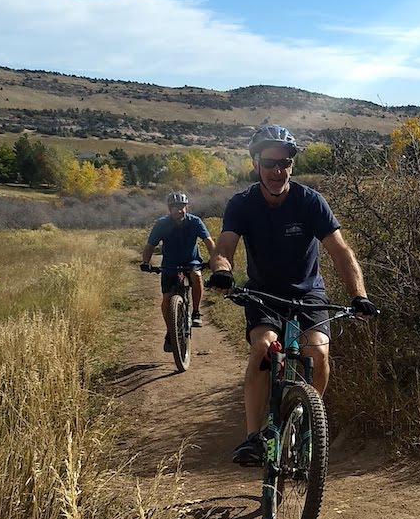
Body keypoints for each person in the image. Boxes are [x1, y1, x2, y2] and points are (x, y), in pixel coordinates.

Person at [206, 124, 378, 466]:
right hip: (264, 294)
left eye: (284, 163)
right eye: (269, 163)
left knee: (319, 353)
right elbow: (225, 245)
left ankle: (307, 416)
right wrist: (222, 270)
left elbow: (341, 252)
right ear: (256, 164)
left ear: (291, 165)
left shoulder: (309, 201)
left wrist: (359, 295)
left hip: (309, 292)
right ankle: (255, 437)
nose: (276, 170)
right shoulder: (242, 203)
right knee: (263, 347)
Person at [141, 191, 216, 352]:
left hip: (192, 261)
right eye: (175, 208)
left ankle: (196, 312)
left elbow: (208, 241)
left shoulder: (195, 222)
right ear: (169, 209)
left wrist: (215, 260)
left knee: (196, 275)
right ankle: (170, 331)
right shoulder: (161, 224)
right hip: (170, 264)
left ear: (186, 207)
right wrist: (145, 262)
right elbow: (150, 245)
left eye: (182, 207)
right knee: (167, 298)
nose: (179, 211)